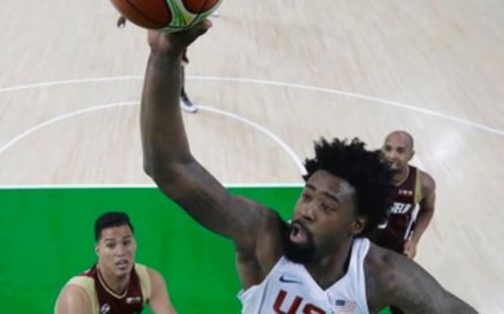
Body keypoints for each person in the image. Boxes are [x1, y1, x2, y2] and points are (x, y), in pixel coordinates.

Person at [140, 21, 477, 313]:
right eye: (307, 196)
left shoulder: (383, 275)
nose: (306, 211)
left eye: (327, 206)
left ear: (357, 224)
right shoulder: (264, 238)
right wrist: (165, 56)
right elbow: (168, 167)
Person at [55, 212, 176, 314]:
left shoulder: (149, 279)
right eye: (111, 245)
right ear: (98, 250)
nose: (120, 252)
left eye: (126, 242)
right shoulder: (77, 295)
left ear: (135, 244)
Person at [370, 130, 436, 259]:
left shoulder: (423, 183)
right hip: (362, 241)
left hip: (395, 249)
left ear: (411, 155)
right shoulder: (369, 174)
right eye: (388, 149)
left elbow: (428, 209)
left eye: (400, 151)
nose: (392, 155)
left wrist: (414, 241)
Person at [117, 15, 197, 113]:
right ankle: (156, 95)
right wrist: (124, 15)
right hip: (156, 18)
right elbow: (140, 0)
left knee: (179, 61)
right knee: (157, 56)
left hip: (176, 20)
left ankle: (181, 95)